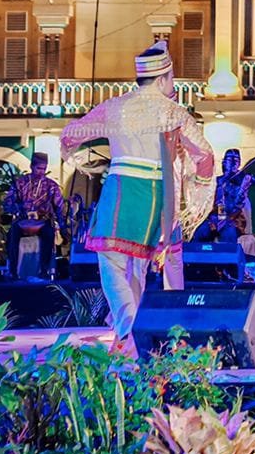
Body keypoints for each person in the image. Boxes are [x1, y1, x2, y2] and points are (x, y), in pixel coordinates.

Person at [61, 42, 214, 355]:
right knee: (139, 268)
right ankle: (142, 334)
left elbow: (71, 134)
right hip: (157, 195)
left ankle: (128, 331)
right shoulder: (174, 112)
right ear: (162, 78)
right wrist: (198, 188)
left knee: (113, 264)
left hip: (121, 190)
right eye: (171, 77)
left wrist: (79, 158)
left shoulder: (115, 107)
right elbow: (205, 154)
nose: (173, 83)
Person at [2, 152, 66, 280]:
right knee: (12, 234)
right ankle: (13, 271)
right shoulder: (20, 183)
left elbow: (59, 207)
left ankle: (44, 270)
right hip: (23, 221)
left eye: (44, 169)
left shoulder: (51, 186)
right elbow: (7, 203)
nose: (41, 172)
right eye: (39, 168)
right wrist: (18, 209)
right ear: (32, 166)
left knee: (49, 233)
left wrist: (63, 226)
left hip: (42, 222)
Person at [209, 149, 255, 256]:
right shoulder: (218, 181)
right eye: (229, 160)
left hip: (234, 217)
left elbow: (238, 205)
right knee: (201, 231)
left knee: (229, 232)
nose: (233, 163)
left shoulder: (241, 179)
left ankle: (228, 260)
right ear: (223, 162)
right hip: (218, 213)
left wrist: (245, 184)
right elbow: (218, 204)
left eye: (236, 160)